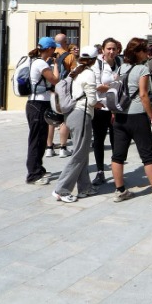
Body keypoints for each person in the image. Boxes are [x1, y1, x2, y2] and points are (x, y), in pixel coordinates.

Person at [111, 37, 152, 205]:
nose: (147, 53)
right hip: (137, 116)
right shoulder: (142, 70)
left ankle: (120, 191)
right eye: (145, 50)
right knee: (148, 155)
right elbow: (144, 95)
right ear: (138, 52)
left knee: (118, 155)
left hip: (120, 114)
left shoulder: (121, 67)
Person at [51, 46, 100, 202]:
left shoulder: (75, 72)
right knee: (79, 154)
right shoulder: (89, 74)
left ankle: (85, 187)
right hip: (81, 114)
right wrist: (98, 103)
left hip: (70, 114)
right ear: (93, 60)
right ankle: (61, 189)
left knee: (83, 152)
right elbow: (92, 100)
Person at [24, 37, 61, 185]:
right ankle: (33, 174)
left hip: (37, 104)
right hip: (37, 105)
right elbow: (55, 80)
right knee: (36, 139)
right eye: (54, 49)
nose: (55, 51)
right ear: (50, 49)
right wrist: (56, 65)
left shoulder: (34, 61)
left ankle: (38, 168)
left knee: (40, 138)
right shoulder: (40, 63)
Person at [90, 37, 120, 186]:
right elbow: (97, 86)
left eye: (114, 48)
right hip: (101, 107)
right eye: (109, 48)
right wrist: (116, 86)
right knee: (99, 140)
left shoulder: (119, 63)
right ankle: (100, 171)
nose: (111, 51)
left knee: (117, 140)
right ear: (103, 49)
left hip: (116, 108)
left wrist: (110, 86)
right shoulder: (97, 63)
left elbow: (122, 83)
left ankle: (117, 172)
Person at [51, 33, 76, 158]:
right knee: (65, 119)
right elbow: (74, 73)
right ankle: (63, 147)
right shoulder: (69, 57)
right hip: (63, 89)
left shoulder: (49, 53)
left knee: (50, 119)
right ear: (65, 42)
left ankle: (49, 147)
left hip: (50, 90)